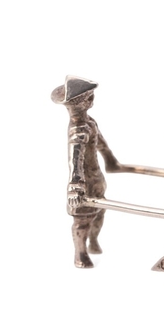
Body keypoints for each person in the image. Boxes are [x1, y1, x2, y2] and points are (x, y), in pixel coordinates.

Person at [52, 76, 122, 268]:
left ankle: (93, 242)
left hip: (97, 179)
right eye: (89, 96)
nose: (92, 99)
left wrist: (111, 161)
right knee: (83, 220)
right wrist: (75, 187)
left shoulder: (90, 122)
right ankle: (80, 254)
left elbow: (100, 143)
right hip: (85, 183)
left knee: (99, 213)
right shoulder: (78, 131)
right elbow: (75, 160)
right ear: (79, 103)